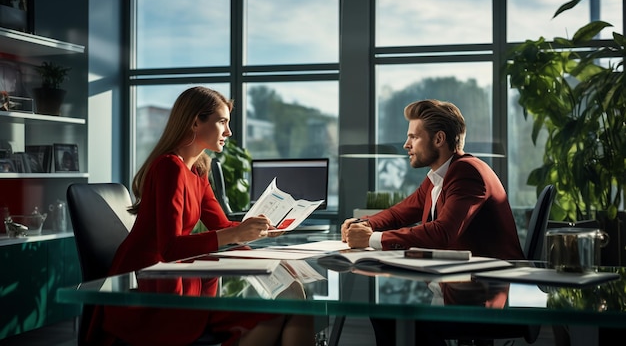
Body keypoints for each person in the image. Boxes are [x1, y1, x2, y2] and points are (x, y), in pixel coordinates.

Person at [86, 86, 314, 346]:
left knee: (296, 301)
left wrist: (264, 236)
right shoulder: (169, 167)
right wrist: (236, 234)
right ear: (196, 121)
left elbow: (224, 226)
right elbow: (170, 248)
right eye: (222, 122)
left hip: (178, 283)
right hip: (150, 292)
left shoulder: (198, 171)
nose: (228, 132)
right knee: (275, 314)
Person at [340, 99, 524, 345]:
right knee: (384, 314)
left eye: (413, 137)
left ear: (438, 139)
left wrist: (372, 239)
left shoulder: (466, 171)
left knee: (390, 315)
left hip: (480, 292)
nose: (406, 145)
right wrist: (362, 224)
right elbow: (401, 212)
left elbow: (443, 232)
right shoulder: (440, 176)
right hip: (456, 282)